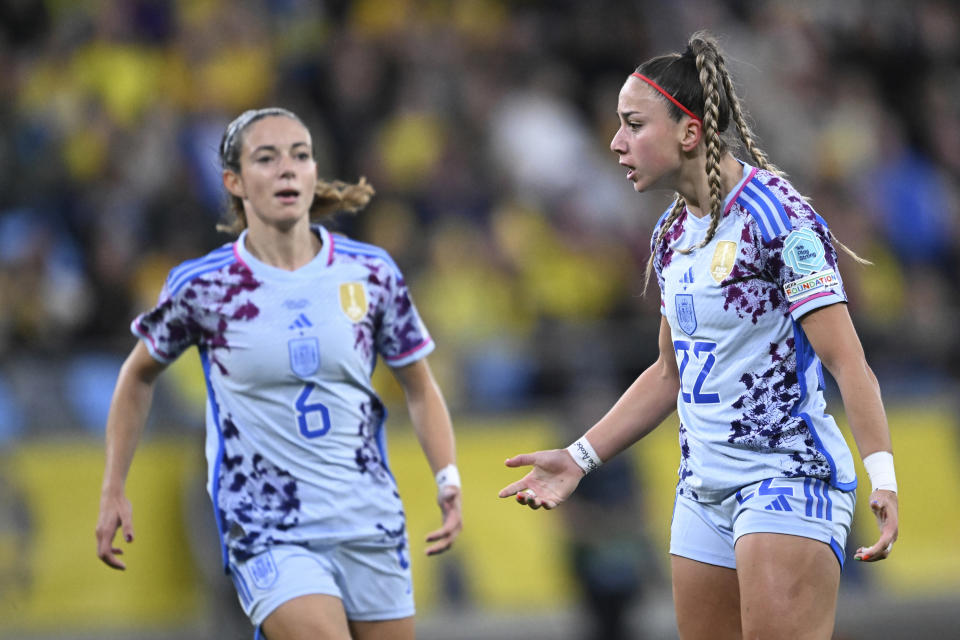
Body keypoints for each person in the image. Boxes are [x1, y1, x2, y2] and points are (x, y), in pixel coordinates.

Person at [499, 32, 899, 640]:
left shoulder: (778, 218)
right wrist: (580, 458)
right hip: (702, 492)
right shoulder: (669, 236)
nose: (615, 142)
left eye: (633, 124)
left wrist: (884, 477)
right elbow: (670, 372)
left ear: (689, 132)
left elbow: (848, 362)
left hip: (785, 477)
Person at [96, 107, 462, 640]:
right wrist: (113, 487)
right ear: (235, 182)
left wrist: (447, 477)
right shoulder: (204, 286)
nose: (287, 169)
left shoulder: (371, 273)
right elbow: (137, 376)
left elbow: (420, 387)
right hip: (268, 526)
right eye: (266, 158)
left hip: (368, 518)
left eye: (300, 155)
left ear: (315, 173)